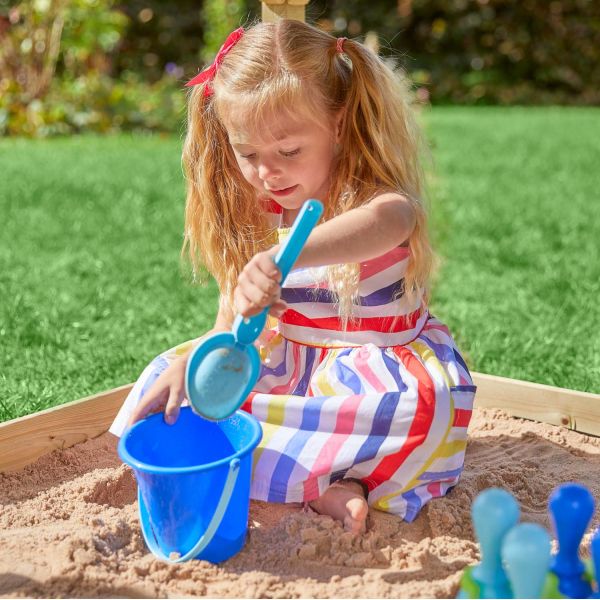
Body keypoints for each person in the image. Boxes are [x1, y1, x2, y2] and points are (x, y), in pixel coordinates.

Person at [110, 19, 476, 534]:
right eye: (248, 154)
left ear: (340, 124)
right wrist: (198, 361)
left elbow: (395, 219)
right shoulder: (257, 213)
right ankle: (326, 480)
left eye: (288, 151)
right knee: (166, 380)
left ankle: (337, 480)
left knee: (430, 407)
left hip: (378, 378)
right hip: (294, 373)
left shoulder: (370, 196)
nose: (268, 173)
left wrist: (288, 256)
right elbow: (228, 329)